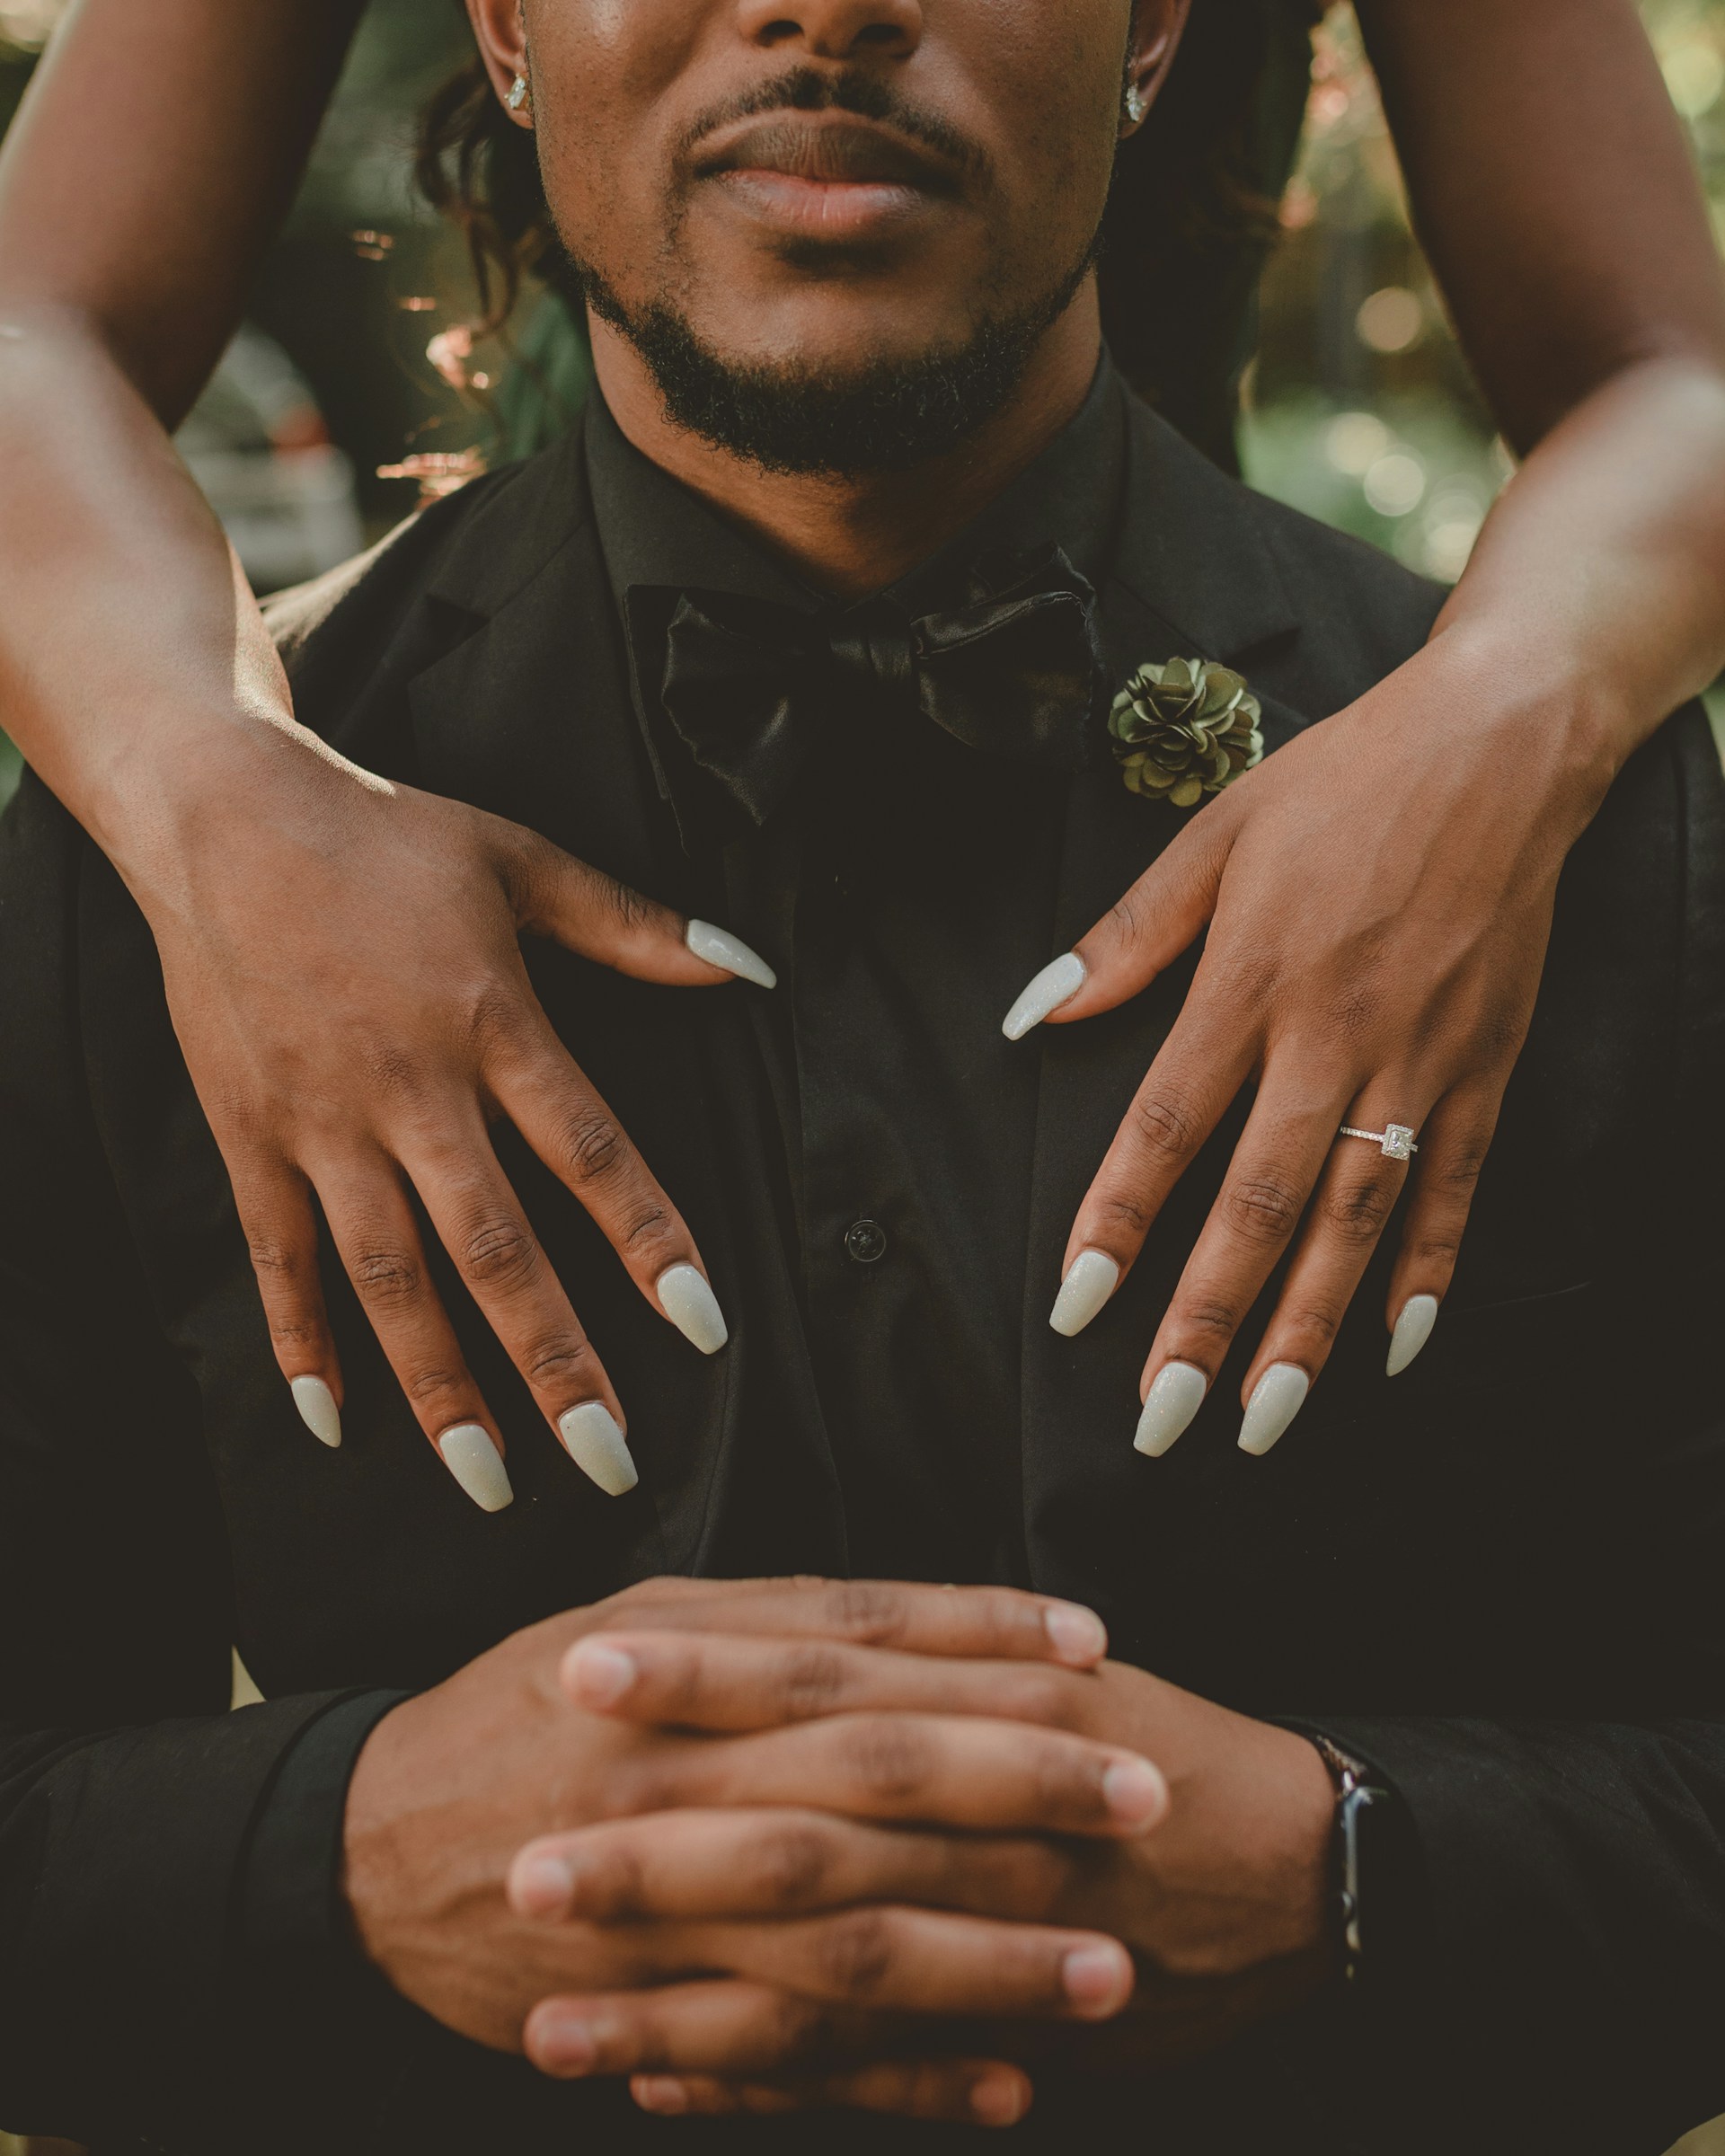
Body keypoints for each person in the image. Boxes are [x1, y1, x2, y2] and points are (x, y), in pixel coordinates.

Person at [3, 3, 1723, 2151]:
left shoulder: (1566, 853)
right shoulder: (174, 877)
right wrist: (344, 1850)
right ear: (509, 30)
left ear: (1158, 29)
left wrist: (1349, 1869)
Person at [3, 0, 1725, 1497]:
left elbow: (1671, 372)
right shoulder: (315, 741)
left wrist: (1476, 735)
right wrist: (223, 798)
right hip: (549, 643)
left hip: (1180, 668)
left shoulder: (1574, 839)